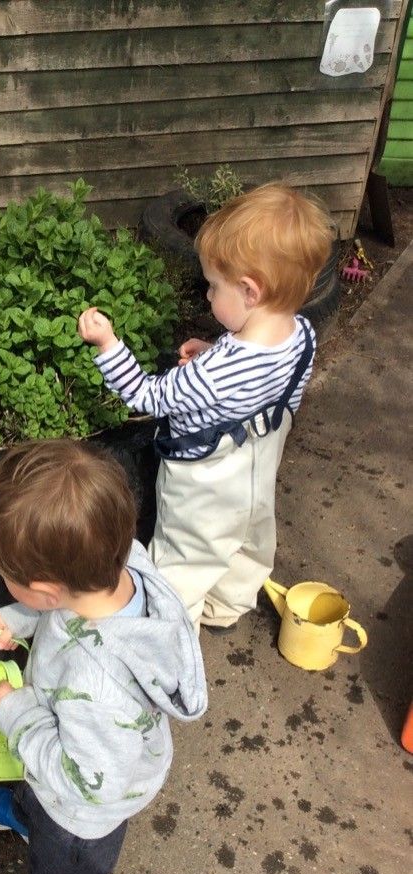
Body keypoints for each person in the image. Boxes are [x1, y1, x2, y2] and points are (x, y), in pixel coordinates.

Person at [0, 439, 207, 874]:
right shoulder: (119, 565)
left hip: (84, 809)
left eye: (10, 579)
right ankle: (31, 812)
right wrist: (24, 615)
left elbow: (85, 781)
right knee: (41, 792)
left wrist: (16, 713)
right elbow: (66, 609)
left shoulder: (100, 687)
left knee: (63, 871)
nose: (3, 583)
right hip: (80, 747)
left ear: (48, 588)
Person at [77, 181, 335, 630]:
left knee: (185, 561)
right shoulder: (301, 335)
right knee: (247, 543)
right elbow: (264, 384)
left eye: (214, 287)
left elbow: (147, 395)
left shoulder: (215, 375)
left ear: (251, 292)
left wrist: (107, 343)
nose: (208, 295)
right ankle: (228, 607)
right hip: (257, 472)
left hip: (206, 487)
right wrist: (216, 349)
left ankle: (171, 637)